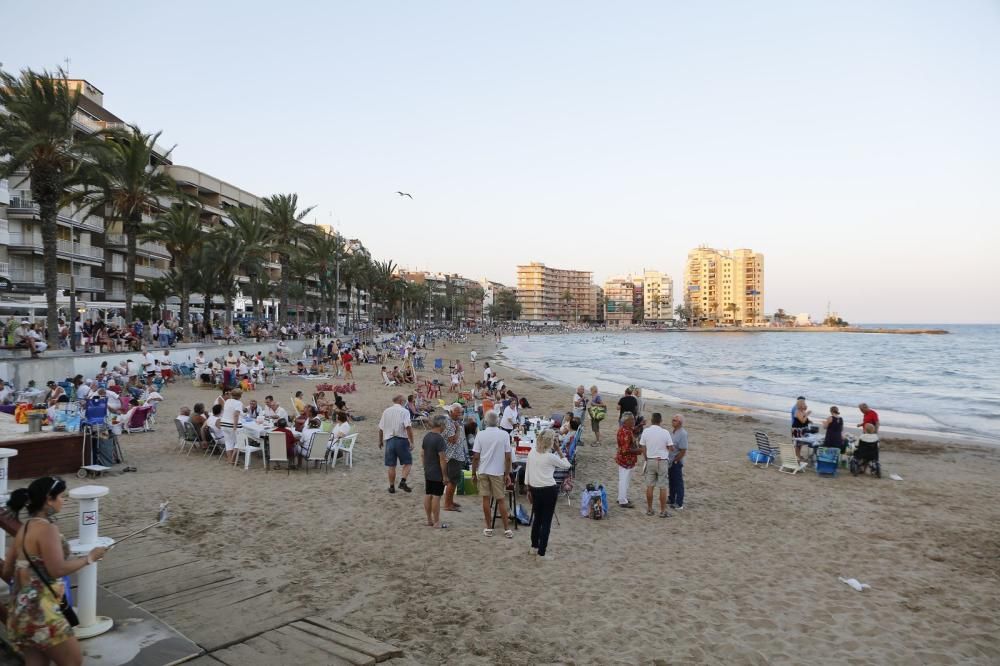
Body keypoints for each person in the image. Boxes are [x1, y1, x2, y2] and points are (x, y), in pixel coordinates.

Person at [2, 477, 107, 666]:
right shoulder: (47, 529)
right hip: (43, 610)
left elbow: (7, 570)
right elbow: (57, 569)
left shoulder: (24, 529)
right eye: (60, 496)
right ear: (49, 499)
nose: (63, 500)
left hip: (20, 610)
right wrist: (89, 558)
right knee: (73, 661)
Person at [526, 428, 571, 558]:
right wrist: (559, 450)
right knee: (546, 521)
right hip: (548, 490)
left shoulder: (532, 453)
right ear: (551, 442)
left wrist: (528, 489)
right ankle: (541, 552)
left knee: (537, 520)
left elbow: (528, 472)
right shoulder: (550, 457)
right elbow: (567, 465)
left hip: (535, 488)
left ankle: (534, 547)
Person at [471, 411, 514, 538]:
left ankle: (489, 527)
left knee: (486, 498)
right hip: (498, 471)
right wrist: (507, 473)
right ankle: (506, 529)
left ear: (485, 421)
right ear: (498, 422)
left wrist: (473, 472)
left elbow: (476, 457)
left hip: (484, 470)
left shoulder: (481, 434)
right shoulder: (504, 434)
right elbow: (507, 457)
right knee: (501, 499)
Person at [378, 395, 415, 494]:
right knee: (408, 462)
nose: (404, 401)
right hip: (401, 439)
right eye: (403, 400)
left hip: (389, 440)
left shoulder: (386, 411)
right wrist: (411, 441)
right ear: (400, 401)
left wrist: (380, 441)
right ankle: (403, 481)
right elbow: (408, 427)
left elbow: (381, 428)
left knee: (391, 465)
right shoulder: (404, 411)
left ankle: (391, 487)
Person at [640, 413, 674, 517]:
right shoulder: (665, 432)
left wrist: (646, 456)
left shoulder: (646, 431)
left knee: (650, 485)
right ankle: (663, 511)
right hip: (662, 460)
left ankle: (650, 509)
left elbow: (642, 446)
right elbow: (671, 448)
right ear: (660, 421)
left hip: (650, 460)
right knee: (662, 486)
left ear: (652, 420)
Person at [421, 415, 450, 529]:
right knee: (436, 496)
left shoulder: (427, 436)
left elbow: (422, 454)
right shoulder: (439, 439)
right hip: (437, 472)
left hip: (428, 470)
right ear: (441, 425)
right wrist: (445, 476)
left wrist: (425, 467)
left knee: (428, 494)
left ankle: (429, 520)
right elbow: (442, 459)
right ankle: (437, 522)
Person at [442, 403, 468, 512]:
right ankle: (447, 504)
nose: (460, 414)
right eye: (458, 412)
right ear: (451, 412)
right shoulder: (449, 423)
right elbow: (452, 440)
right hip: (452, 456)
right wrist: (457, 429)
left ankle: (450, 501)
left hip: (455, 455)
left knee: (454, 481)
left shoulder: (453, 422)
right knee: (452, 481)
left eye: (461, 412)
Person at [615, 412, 640, 509]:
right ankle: (622, 500)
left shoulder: (626, 429)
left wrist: (640, 425)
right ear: (626, 421)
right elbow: (625, 450)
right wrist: (638, 450)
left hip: (625, 459)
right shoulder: (625, 432)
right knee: (624, 480)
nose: (634, 421)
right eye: (632, 420)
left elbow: (634, 430)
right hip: (626, 460)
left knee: (624, 480)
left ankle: (621, 497)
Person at [668, 415, 689, 510]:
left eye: (674, 420)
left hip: (676, 461)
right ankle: (671, 498)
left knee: (678, 482)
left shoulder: (683, 433)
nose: (672, 421)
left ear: (680, 423)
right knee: (671, 481)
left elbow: (683, 450)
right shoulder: (673, 431)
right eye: (672, 420)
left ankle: (679, 503)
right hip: (670, 460)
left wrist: (676, 460)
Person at [221, 388, 245, 463]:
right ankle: (233, 459)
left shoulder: (227, 401)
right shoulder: (238, 403)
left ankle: (229, 459)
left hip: (223, 423)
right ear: (240, 396)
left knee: (228, 442)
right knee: (239, 441)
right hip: (232, 424)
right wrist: (235, 426)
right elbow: (236, 415)